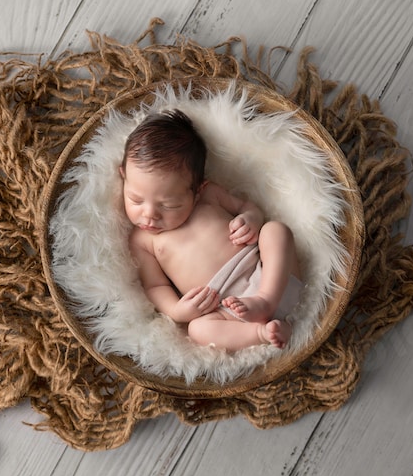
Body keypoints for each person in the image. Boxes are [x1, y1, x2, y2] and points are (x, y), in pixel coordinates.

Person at [119, 109, 303, 352]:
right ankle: (262, 332)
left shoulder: (210, 196)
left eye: (169, 205)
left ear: (197, 190)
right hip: (226, 312)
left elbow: (247, 207)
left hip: (271, 277)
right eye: (136, 199)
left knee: (275, 230)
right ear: (124, 177)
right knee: (198, 330)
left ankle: (265, 301)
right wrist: (177, 310)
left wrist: (252, 218)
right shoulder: (142, 241)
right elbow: (155, 286)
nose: (150, 214)